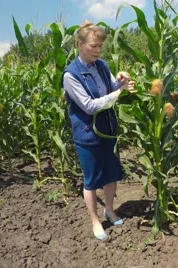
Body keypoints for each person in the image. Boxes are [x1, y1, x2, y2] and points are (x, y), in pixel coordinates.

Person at [61, 21, 135, 240]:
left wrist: (119, 81)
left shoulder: (101, 65)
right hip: (88, 135)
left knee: (111, 174)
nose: (98, 51)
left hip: (108, 130)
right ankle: (95, 221)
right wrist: (119, 93)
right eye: (93, 46)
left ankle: (109, 210)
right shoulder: (71, 75)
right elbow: (90, 106)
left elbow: (110, 88)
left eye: (100, 46)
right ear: (79, 44)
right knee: (92, 180)